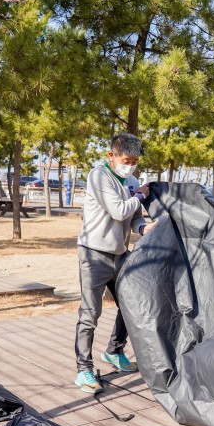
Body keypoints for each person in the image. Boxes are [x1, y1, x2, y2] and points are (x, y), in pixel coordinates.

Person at [74, 133, 158, 394]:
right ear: (112, 156)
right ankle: (84, 370)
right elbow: (119, 210)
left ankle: (114, 351)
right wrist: (141, 196)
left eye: (134, 161)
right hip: (93, 254)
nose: (130, 164)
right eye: (125, 159)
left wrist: (144, 227)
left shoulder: (132, 180)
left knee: (131, 305)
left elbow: (131, 217)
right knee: (90, 314)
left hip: (121, 254)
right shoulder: (99, 176)